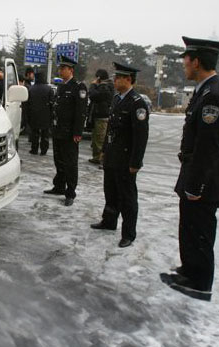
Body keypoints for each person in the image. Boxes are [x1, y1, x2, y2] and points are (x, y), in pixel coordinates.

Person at [160, 37, 219, 301]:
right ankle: (190, 272)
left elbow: (209, 147)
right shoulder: (207, 91)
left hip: (204, 179)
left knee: (201, 230)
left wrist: (196, 185)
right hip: (196, 174)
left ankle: (200, 283)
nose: (184, 64)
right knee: (190, 226)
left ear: (196, 61)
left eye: (186, 59)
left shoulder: (213, 96)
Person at [90, 62, 149, 247]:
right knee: (111, 192)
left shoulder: (137, 103)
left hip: (126, 159)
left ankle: (129, 233)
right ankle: (109, 221)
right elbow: (110, 129)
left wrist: (136, 162)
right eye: (115, 77)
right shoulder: (117, 98)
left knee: (128, 198)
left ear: (128, 79)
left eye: (118, 78)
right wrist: (104, 152)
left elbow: (141, 137)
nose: (114, 81)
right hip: (112, 156)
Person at [43, 56, 87, 206]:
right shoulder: (61, 86)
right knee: (58, 160)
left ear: (71, 70)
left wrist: (78, 132)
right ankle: (59, 186)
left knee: (70, 163)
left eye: (63, 68)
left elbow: (81, 112)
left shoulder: (78, 87)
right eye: (60, 68)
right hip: (58, 130)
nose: (60, 71)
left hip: (69, 133)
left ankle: (70, 192)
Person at [87, 69, 114, 165]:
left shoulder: (105, 86)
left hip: (102, 116)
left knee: (100, 138)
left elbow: (93, 95)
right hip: (99, 115)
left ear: (99, 77)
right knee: (96, 138)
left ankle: (100, 158)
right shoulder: (106, 86)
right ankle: (96, 156)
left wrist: (93, 85)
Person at [25, 69, 53, 156]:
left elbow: (27, 104)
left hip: (34, 114)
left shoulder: (31, 89)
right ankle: (44, 150)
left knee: (34, 133)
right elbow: (52, 103)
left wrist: (27, 116)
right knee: (45, 134)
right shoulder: (49, 89)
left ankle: (34, 149)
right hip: (46, 115)